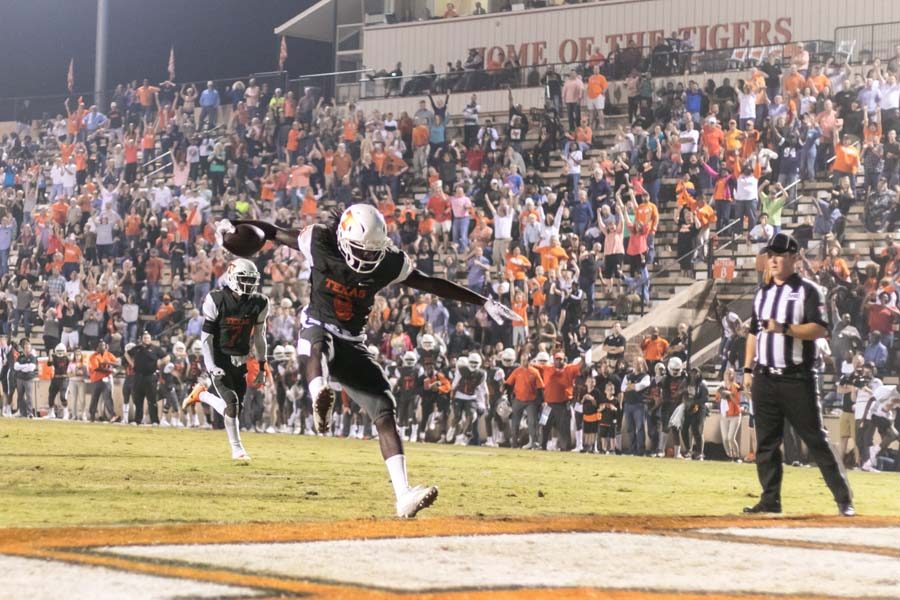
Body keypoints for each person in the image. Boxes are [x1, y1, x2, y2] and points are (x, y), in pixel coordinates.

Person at [222, 204, 517, 518]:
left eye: (371, 253)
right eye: (359, 251)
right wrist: (235, 223)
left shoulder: (388, 262)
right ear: (343, 239)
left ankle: (403, 495)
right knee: (318, 342)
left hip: (353, 343)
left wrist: (482, 300)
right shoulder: (320, 241)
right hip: (318, 329)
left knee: (385, 409)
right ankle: (318, 395)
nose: (364, 260)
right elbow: (271, 232)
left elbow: (430, 282)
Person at [742, 232, 855, 517]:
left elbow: (821, 328)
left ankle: (844, 499)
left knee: (815, 438)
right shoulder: (764, 292)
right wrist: (747, 368)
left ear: (794, 257)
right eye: (771, 255)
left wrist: (785, 328)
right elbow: (754, 333)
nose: (774, 260)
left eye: (779, 255)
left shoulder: (808, 290)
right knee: (766, 443)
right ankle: (770, 499)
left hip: (797, 377)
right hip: (765, 377)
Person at [182, 259, 269, 461]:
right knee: (231, 403)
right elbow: (206, 337)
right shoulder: (216, 299)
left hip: (241, 360)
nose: (248, 283)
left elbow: (259, 337)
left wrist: (263, 367)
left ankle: (201, 395)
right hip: (220, 358)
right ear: (231, 277)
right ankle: (237, 450)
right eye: (243, 278)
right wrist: (211, 365)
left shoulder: (260, 302)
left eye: (251, 279)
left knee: (235, 410)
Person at [47, 343, 72, 420]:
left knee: (63, 396)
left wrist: (68, 355)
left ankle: (66, 412)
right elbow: (49, 363)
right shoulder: (54, 357)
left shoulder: (67, 358)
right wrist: (50, 355)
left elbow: (70, 361)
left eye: (62, 351)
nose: (60, 352)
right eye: (59, 351)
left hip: (64, 378)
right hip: (55, 378)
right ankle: (51, 413)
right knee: (51, 396)